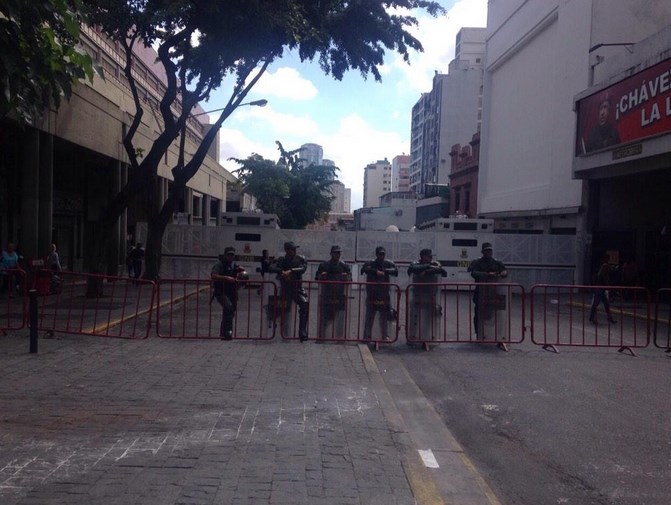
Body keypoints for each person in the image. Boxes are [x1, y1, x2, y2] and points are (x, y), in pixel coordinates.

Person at [268, 241, 309, 341]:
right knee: (281, 311)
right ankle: (278, 331)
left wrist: (291, 271)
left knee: (304, 304)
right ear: (287, 250)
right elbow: (271, 267)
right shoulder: (282, 260)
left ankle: (302, 332)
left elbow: (303, 268)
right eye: (292, 249)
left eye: (295, 249)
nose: (294, 251)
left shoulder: (300, 258)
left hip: (296, 288)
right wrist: (281, 272)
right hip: (285, 289)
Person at [468, 242, 507, 337]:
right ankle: (479, 332)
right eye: (487, 251)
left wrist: (502, 273)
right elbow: (473, 273)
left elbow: (504, 271)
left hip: (493, 292)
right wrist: (487, 274)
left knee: (495, 313)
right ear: (482, 252)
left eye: (490, 251)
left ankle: (495, 334)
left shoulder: (496, 262)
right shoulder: (477, 262)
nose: (489, 253)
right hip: (481, 292)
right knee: (478, 314)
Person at [407, 248, 446, 343]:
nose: (430, 257)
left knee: (430, 316)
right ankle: (413, 335)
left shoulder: (435, 263)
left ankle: (427, 336)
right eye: (428, 256)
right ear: (423, 256)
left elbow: (442, 271)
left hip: (431, 294)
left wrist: (426, 271)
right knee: (414, 316)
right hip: (418, 293)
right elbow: (412, 269)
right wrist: (428, 266)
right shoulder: (415, 263)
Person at [361, 246, 398, 341]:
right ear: (376, 254)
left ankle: (385, 335)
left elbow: (396, 271)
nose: (382, 256)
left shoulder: (388, 263)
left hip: (384, 294)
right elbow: (364, 269)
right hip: (372, 294)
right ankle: (367, 335)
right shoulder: (371, 263)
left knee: (384, 317)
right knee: (370, 316)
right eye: (380, 254)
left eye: (383, 254)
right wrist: (376, 272)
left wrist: (385, 271)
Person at [315, 245, 352, 340]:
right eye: (335, 253)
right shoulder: (324, 265)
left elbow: (350, 279)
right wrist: (321, 276)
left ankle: (339, 337)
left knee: (340, 318)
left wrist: (346, 278)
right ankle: (322, 336)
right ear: (331, 253)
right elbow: (316, 278)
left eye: (339, 253)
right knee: (325, 318)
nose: (337, 255)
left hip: (339, 296)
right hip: (327, 295)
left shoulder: (344, 266)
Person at [211, 246, 247, 340]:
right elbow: (213, 275)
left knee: (230, 311)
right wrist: (226, 278)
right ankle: (227, 333)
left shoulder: (234, 265)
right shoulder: (219, 265)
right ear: (225, 255)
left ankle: (225, 332)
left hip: (232, 292)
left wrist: (241, 272)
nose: (230, 257)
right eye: (229, 255)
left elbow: (241, 273)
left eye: (232, 255)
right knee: (228, 308)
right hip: (221, 291)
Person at [589, 253, 617, 325]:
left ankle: (609, 318)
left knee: (604, 304)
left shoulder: (603, 266)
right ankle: (593, 318)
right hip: (600, 288)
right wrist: (607, 285)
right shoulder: (605, 266)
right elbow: (602, 276)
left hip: (600, 288)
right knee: (597, 303)